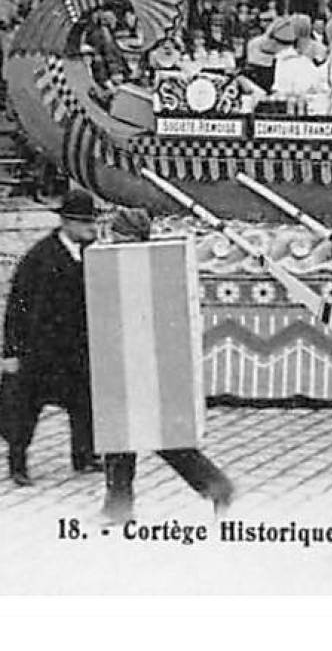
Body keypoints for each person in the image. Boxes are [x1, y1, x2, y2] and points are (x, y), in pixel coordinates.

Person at [98, 206, 236, 523]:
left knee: (146, 438)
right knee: (128, 438)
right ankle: (120, 505)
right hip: (131, 364)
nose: (113, 243)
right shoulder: (143, 267)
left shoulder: (142, 270)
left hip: (139, 367)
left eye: (119, 238)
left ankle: (215, 485)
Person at [0, 189, 105, 486]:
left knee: (84, 402)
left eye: (93, 222)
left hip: (76, 347)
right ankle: (17, 463)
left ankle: (84, 456)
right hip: (40, 348)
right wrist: (10, 352)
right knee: (26, 407)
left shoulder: (90, 252)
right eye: (85, 223)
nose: (92, 229)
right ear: (67, 223)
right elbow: (16, 306)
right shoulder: (39, 257)